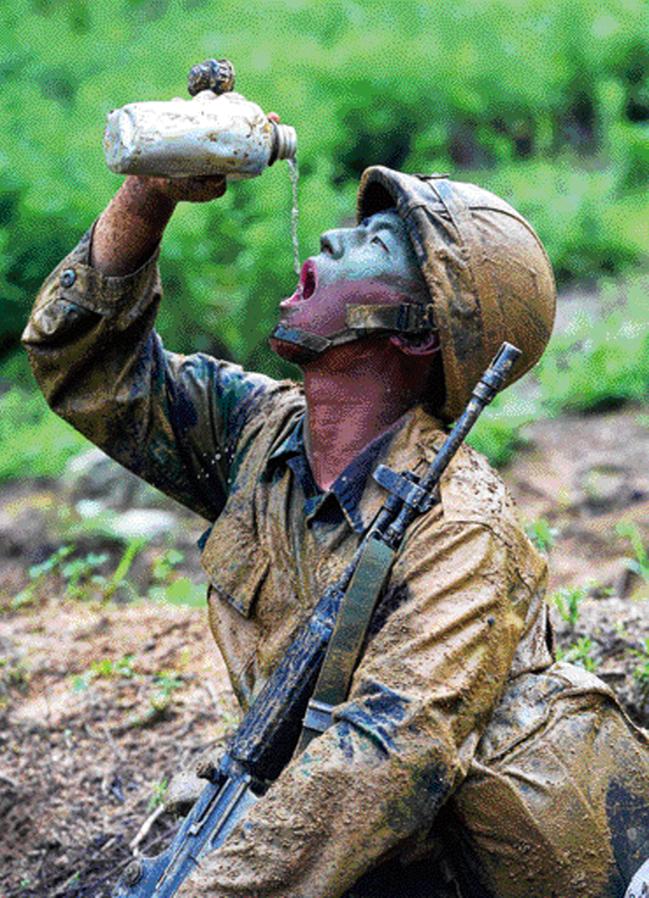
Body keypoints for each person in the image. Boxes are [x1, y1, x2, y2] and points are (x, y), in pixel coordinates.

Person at [23, 151, 649, 897]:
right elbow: (93, 370)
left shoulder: (460, 529)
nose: (328, 239)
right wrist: (147, 196)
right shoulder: (262, 433)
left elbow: (384, 755)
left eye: (372, 244)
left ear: (414, 333)